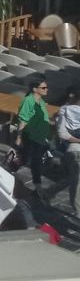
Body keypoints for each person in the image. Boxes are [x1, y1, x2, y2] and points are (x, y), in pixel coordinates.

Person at [17, 78, 52, 188]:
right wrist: (18, 138)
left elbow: (44, 118)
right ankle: (38, 186)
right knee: (35, 161)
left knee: (29, 157)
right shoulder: (28, 101)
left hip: (40, 135)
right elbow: (23, 120)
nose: (46, 89)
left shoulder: (41, 101)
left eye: (46, 87)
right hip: (32, 135)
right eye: (43, 88)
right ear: (34, 89)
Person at [58, 87, 80, 215]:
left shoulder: (64, 110)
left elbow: (63, 134)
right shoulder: (66, 111)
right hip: (75, 151)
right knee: (77, 184)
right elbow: (62, 134)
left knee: (75, 180)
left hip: (73, 149)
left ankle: (48, 192)